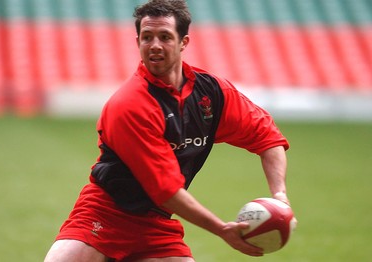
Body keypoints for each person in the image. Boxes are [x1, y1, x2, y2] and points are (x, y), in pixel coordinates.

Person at [44, 0, 294, 261]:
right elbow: (165, 191)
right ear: (137, 41)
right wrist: (221, 229)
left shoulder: (212, 93)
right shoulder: (130, 104)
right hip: (105, 213)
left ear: (183, 42)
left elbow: (267, 137)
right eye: (146, 37)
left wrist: (280, 196)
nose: (154, 45)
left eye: (165, 37)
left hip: (157, 224)